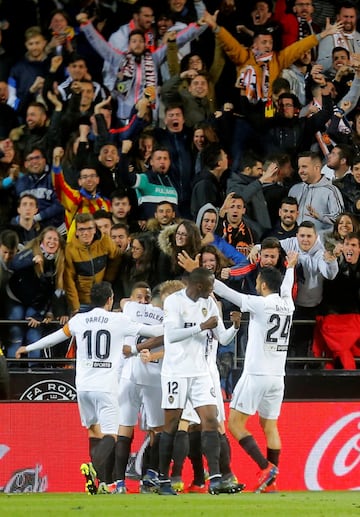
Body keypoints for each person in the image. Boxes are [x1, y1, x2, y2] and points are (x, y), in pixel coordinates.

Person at [15, 281, 163, 495]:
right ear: (110, 299)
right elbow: (154, 330)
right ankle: (94, 470)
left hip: (83, 387)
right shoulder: (119, 320)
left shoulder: (79, 320)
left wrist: (28, 347)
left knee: (94, 432)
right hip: (106, 387)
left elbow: (53, 338)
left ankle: (102, 483)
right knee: (111, 436)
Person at [212, 251, 298, 493]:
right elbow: (286, 289)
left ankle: (265, 468)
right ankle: (271, 483)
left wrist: (207, 278)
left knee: (235, 425)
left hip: (256, 374)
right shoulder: (288, 305)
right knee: (270, 426)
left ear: (261, 284)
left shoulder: (259, 304)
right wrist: (290, 268)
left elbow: (229, 294)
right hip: (277, 377)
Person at [158, 267, 242, 495]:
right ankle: (163, 480)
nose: (213, 290)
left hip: (200, 374)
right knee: (172, 426)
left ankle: (215, 479)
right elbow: (171, 336)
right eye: (210, 286)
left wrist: (235, 327)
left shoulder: (210, 304)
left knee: (211, 420)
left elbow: (222, 337)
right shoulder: (174, 302)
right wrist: (200, 327)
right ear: (198, 286)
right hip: (175, 373)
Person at [5, 226, 68, 360]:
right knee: (16, 333)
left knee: (34, 337)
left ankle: (33, 373)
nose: (52, 242)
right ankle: (12, 371)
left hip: (36, 303)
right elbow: (13, 264)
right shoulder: (30, 252)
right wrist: (31, 261)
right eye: (49, 238)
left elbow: (55, 291)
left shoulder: (59, 262)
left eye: (55, 239)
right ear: (42, 241)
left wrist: (45, 313)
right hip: (16, 299)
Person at [312, 232, 360, 369]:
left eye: (353, 245)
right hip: (333, 319)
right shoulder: (334, 263)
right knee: (330, 358)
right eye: (346, 244)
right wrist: (333, 258)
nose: (349, 248)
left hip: (353, 321)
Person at [63, 213, 121, 315]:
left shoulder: (105, 241)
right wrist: (75, 307)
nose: (86, 233)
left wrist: (108, 279)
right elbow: (68, 281)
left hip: (102, 299)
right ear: (76, 232)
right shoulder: (70, 250)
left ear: (95, 229)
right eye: (81, 229)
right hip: (82, 302)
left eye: (89, 229)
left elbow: (116, 257)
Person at [288, 151, 344, 233]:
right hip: (297, 240)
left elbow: (340, 218)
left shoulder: (331, 191)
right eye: (299, 167)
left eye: (304, 167)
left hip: (322, 242)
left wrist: (320, 216)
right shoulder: (294, 189)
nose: (300, 171)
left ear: (317, 168)